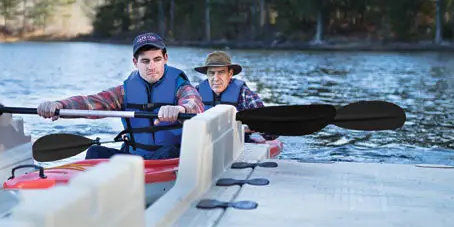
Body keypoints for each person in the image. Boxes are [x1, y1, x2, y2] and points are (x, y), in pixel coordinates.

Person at [37, 32, 205, 160]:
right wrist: (59, 105)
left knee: (168, 151)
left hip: (169, 158)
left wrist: (180, 108)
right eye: (145, 61)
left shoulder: (179, 86)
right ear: (135, 62)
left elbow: (194, 104)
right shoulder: (124, 91)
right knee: (95, 152)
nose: (151, 66)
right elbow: (91, 102)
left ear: (165, 59)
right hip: (135, 158)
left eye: (157, 59)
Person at [194, 50, 278, 141]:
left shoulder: (244, 94)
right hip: (204, 144)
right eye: (211, 73)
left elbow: (272, 133)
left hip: (235, 145)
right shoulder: (196, 93)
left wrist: (248, 127)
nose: (216, 78)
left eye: (221, 72)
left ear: (230, 74)